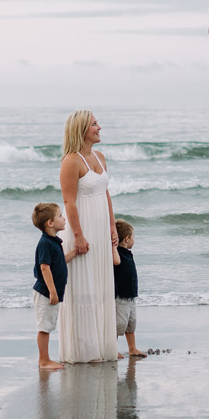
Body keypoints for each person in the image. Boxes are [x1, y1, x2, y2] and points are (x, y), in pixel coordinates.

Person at [57, 109, 119, 363]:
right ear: (82, 129)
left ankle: (104, 345)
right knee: (82, 286)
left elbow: (105, 193)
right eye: (94, 124)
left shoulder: (100, 157)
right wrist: (79, 236)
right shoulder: (70, 161)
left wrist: (112, 227)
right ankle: (85, 350)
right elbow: (69, 202)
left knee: (101, 284)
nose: (99, 127)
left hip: (101, 228)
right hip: (81, 228)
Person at [32, 202, 72, 371]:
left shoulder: (54, 241)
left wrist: (75, 253)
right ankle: (43, 360)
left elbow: (60, 261)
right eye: (60, 216)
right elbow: (44, 267)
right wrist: (52, 291)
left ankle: (45, 359)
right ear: (50, 223)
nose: (64, 219)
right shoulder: (46, 243)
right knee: (44, 327)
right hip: (45, 292)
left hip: (50, 292)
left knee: (47, 325)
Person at [112, 220, 144, 359]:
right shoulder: (117, 253)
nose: (133, 240)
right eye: (133, 237)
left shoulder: (128, 253)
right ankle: (113, 349)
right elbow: (115, 262)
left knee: (131, 324)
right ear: (126, 238)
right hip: (120, 296)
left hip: (131, 295)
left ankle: (132, 348)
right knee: (118, 325)